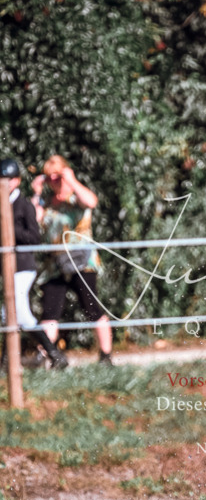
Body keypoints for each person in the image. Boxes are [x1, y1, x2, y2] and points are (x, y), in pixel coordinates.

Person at [32, 155, 113, 366]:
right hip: (56, 266)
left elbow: (92, 201)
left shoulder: (76, 198)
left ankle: (106, 357)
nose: (54, 182)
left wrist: (71, 180)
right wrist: (36, 192)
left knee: (92, 308)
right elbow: (32, 221)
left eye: (57, 177)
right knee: (50, 311)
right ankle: (48, 355)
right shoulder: (47, 204)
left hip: (82, 262)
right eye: (50, 178)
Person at [0, 156, 69, 369]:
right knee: (7, 313)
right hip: (6, 268)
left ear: (17, 181)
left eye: (7, 179)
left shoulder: (24, 206)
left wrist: (9, 227)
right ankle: (7, 363)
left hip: (23, 267)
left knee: (19, 312)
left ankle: (54, 354)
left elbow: (34, 238)